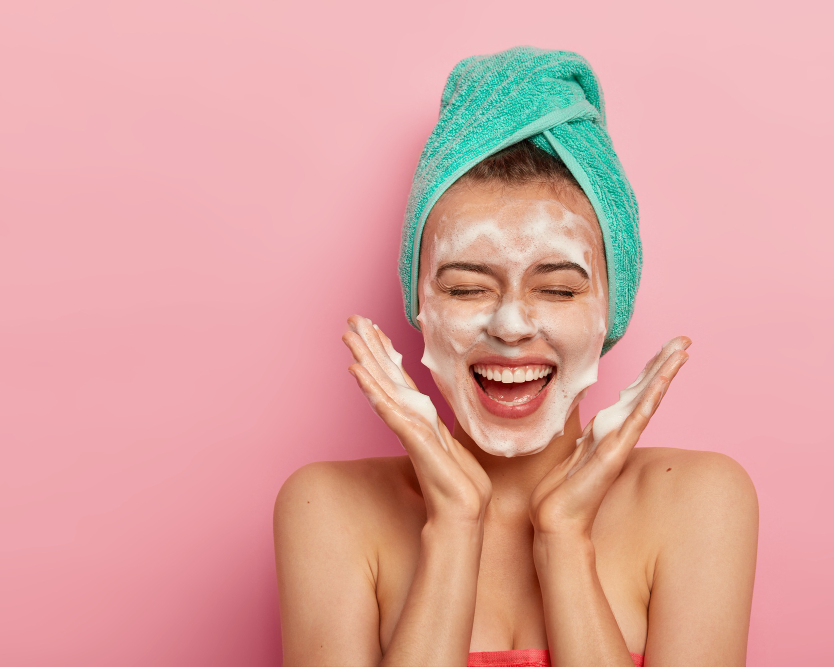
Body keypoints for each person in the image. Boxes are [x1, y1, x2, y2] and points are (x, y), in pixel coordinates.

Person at [274, 47, 758, 667]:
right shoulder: (328, 510)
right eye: (466, 288)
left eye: (557, 289)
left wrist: (564, 540)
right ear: (418, 303)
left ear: (613, 305)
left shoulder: (700, 502)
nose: (510, 324)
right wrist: (453, 527)